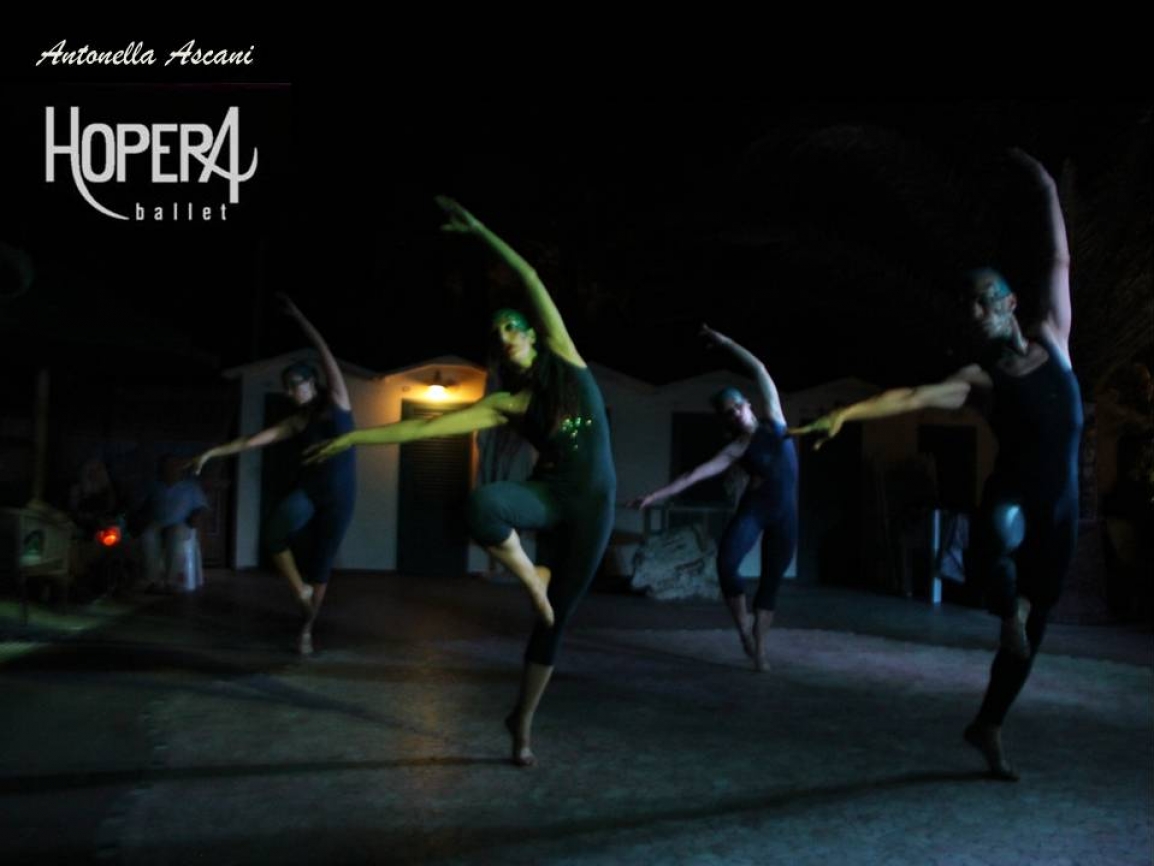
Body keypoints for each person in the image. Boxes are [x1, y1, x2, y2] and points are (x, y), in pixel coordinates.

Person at [791, 150, 1081, 781]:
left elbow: (1058, 261)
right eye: (966, 305)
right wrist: (846, 415)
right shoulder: (980, 378)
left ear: (1008, 301)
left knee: (1033, 631)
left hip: (1062, 505)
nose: (972, 313)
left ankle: (989, 723)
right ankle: (1009, 610)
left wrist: (1046, 187)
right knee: (994, 550)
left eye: (981, 301)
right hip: (1013, 495)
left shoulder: (1053, 338)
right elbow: (911, 397)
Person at [306, 197, 616, 766]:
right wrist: (353, 438)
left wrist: (479, 231)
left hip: (594, 506)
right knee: (483, 506)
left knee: (554, 623)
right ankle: (534, 578)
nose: (504, 335)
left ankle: (521, 722)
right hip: (549, 496)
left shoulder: (566, 360)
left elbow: (528, 277)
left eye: (511, 326)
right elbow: (425, 429)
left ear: (531, 335)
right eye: (497, 331)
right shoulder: (505, 404)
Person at [192, 294, 355, 656]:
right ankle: (300, 592)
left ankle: (307, 628)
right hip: (310, 491)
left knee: (322, 564)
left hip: (341, 496)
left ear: (311, 382)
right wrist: (211, 452)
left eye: (294, 383)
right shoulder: (297, 421)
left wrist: (299, 318)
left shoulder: (337, 402)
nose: (289, 391)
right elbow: (251, 440)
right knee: (274, 533)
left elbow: (325, 352)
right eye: (286, 385)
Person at [629, 325, 797, 672]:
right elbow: (693, 475)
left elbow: (760, 369)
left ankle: (759, 651)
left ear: (747, 404)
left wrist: (726, 343)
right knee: (726, 564)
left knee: (770, 583)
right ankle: (743, 630)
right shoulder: (737, 447)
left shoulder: (776, 421)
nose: (735, 414)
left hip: (786, 515)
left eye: (736, 407)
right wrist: (653, 496)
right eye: (728, 413)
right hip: (755, 510)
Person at [140, 454, 209, 593]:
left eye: (174, 466)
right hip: (158, 522)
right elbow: (145, 506)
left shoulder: (191, 486)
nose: (170, 469)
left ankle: (171, 582)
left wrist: (196, 516)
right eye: (166, 466)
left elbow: (202, 507)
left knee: (175, 534)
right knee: (147, 535)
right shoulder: (155, 486)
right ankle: (154, 581)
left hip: (181, 522)